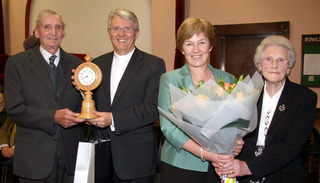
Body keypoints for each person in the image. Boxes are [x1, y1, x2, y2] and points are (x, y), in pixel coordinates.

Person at [215, 35, 318, 182]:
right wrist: (230, 149)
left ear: (288, 67)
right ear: (260, 65)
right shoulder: (244, 93)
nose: (274, 65)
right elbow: (231, 131)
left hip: (283, 175)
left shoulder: (304, 97)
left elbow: (291, 145)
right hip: (243, 176)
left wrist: (247, 167)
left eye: (281, 60)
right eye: (269, 59)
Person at [82, 8, 166, 183]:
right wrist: (83, 93)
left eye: (127, 29)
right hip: (101, 156)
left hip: (136, 159)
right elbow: (92, 103)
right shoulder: (96, 64)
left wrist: (113, 119)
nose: (121, 34)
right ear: (109, 33)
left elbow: (152, 109)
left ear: (136, 33)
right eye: (116, 28)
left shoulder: (153, 64)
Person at [158, 17, 244, 183]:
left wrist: (237, 142)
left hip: (221, 165)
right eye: (189, 43)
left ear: (210, 46)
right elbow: (169, 128)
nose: (196, 49)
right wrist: (206, 154)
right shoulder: (170, 80)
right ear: (181, 49)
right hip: (181, 164)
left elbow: (237, 123)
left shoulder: (229, 79)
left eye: (202, 42)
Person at [4, 9, 86, 183]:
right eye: (47, 27)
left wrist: (85, 97)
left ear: (63, 32)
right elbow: (14, 108)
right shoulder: (17, 64)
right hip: (33, 158)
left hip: (70, 156)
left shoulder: (79, 65)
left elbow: (86, 105)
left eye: (58, 27)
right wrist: (53, 117)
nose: (53, 32)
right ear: (37, 32)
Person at [0, 116, 19, 183]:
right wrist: (4, 146)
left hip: (25, 149)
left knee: (13, 163)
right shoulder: (13, 112)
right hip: (8, 147)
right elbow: (4, 128)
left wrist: (14, 148)